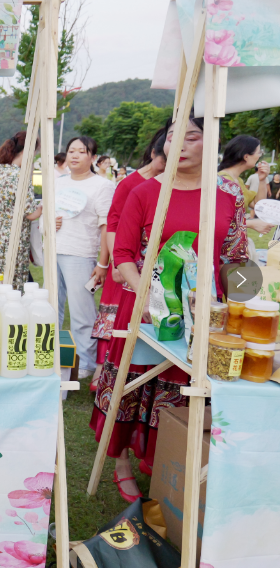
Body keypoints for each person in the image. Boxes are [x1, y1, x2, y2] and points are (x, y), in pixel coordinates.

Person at [91, 114, 248, 502]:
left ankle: (168, 463)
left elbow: (235, 257)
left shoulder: (227, 196)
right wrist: (146, 294)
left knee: (182, 389)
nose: (179, 143)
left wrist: (242, 297)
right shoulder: (146, 192)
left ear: (211, 144)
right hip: (146, 306)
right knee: (132, 384)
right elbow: (123, 254)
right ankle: (121, 463)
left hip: (201, 311)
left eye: (191, 136)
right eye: (172, 136)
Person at [91, 127, 168, 382]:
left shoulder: (167, 183)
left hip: (149, 262)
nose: (165, 167)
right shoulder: (131, 184)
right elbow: (112, 224)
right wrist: (115, 261)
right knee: (115, 314)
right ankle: (103, 370)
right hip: (125, 257)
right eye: (163, 160)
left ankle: (138, 372)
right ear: (154, 153)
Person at [54, 136, 114, 381]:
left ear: (93, 157)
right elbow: (48, 215)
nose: (75, 155)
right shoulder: (58, 182)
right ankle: (52, 356)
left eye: (81, 151)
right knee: (52, 308)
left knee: (81, 313)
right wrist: (50, 223)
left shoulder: (102, 186)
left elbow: (106, 225)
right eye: (71, 151)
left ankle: (85, 364)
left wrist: (102, 263)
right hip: (54, 250)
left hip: (81, 253)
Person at [0, 131, 43, 289]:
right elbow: (31, 214)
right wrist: (44, 207)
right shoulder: (20, 176)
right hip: (13, 237)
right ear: (27, 152)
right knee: (10, 286)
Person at [217, 134, 271, 234]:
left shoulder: (238, 180)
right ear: (246, 157)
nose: (259, 156)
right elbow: (219, 220)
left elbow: (258, 206)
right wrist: (251, 224)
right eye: (258, 153)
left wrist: (262, 180)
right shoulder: (223, 181)